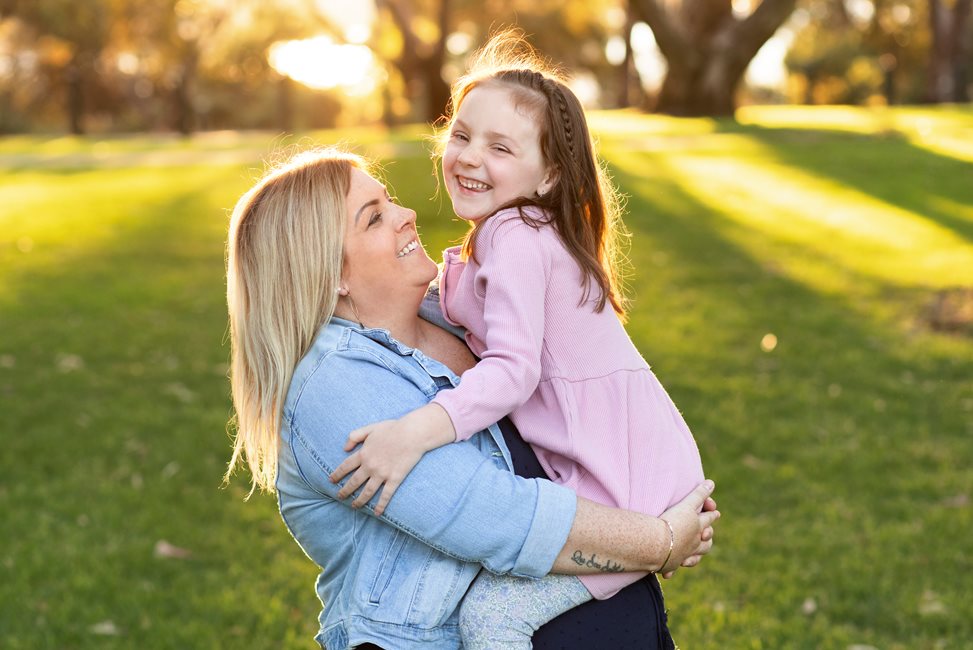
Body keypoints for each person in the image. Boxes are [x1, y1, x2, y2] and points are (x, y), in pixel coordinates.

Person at [224, 147, 720, 649]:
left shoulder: (456, 312)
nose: (407, 215)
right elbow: (493, 518)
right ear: (330, 275)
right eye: (374, 218)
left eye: (389, 199)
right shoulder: (334, 387)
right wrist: (661, 541)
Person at [328, 33, 707, 648]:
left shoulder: (517, 236)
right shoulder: (511, 234)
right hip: (627, 468)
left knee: (492, 617)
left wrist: (413, 432)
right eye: (461, 135)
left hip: (629, 484)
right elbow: (456, 305)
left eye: (500, 146)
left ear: (550, 173)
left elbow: (512, 372)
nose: (470, 157)